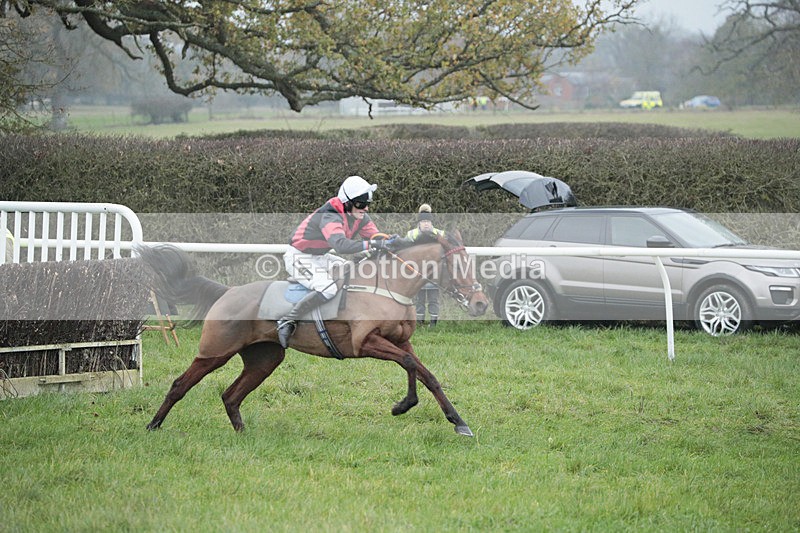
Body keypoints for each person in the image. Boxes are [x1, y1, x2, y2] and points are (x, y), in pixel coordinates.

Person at [277, 175, 395, 348]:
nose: (366, 208)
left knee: (354, 272)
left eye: (368, 203)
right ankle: (288, 320)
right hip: (298, 256)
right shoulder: (331, 214)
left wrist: (396, 241)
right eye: (361, 204)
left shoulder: (360, 216)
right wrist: (372, 244)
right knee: (328, 287)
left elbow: (377, 237)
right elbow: (340, 245)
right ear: (347, 203)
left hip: (321, 257)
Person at [406, 203, 445, 326]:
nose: (426, 224)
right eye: (423, 221)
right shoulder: (411, 234)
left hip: (434, 273)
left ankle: (433, 323)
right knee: (419, 300)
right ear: (419, 223)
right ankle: (420, 322)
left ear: (432, 222)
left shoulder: (440, 234)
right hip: (418, 273)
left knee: (433, 299)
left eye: (428, 221)